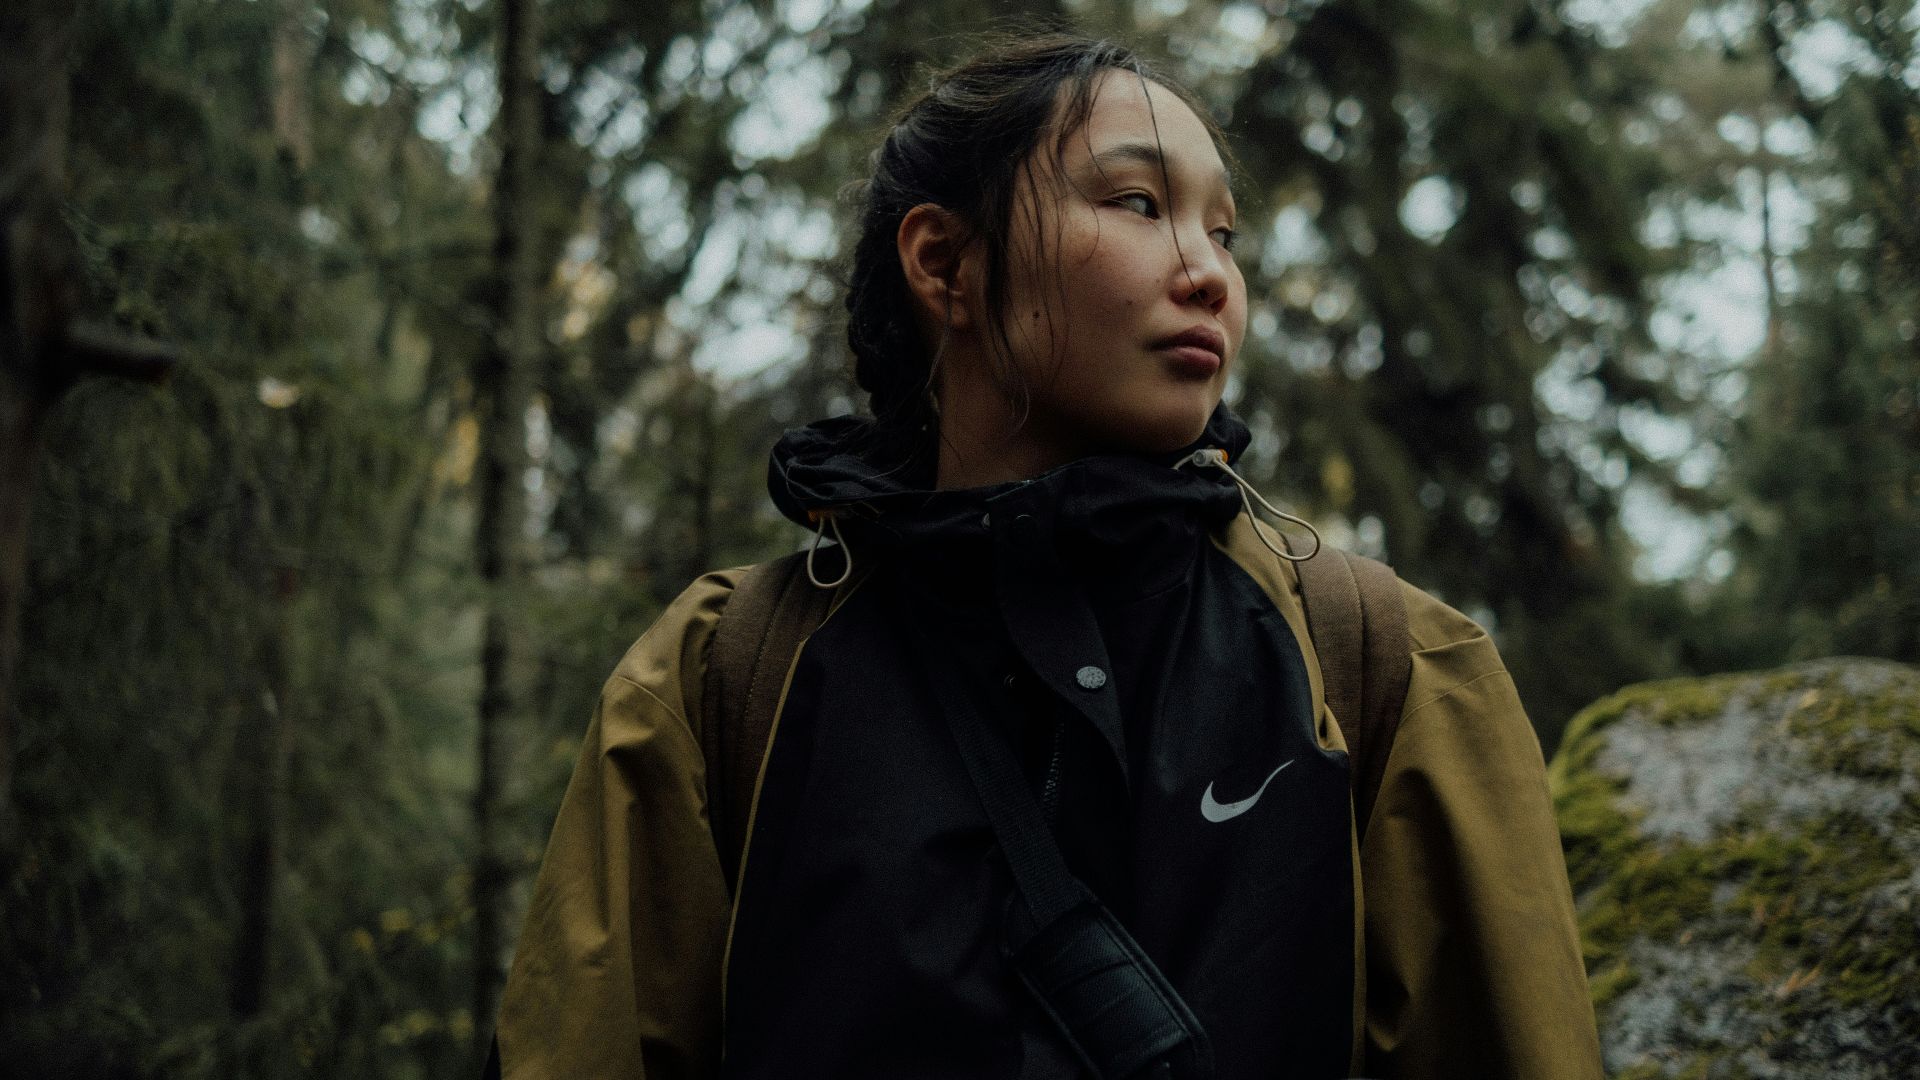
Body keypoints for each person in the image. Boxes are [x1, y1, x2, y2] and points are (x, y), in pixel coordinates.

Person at [492, 33, 1603, 1080]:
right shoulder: (720, 681)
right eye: (1138, 202)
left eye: (1223, 232)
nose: (1210, 273)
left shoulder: (1381, 662)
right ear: (945, 265)